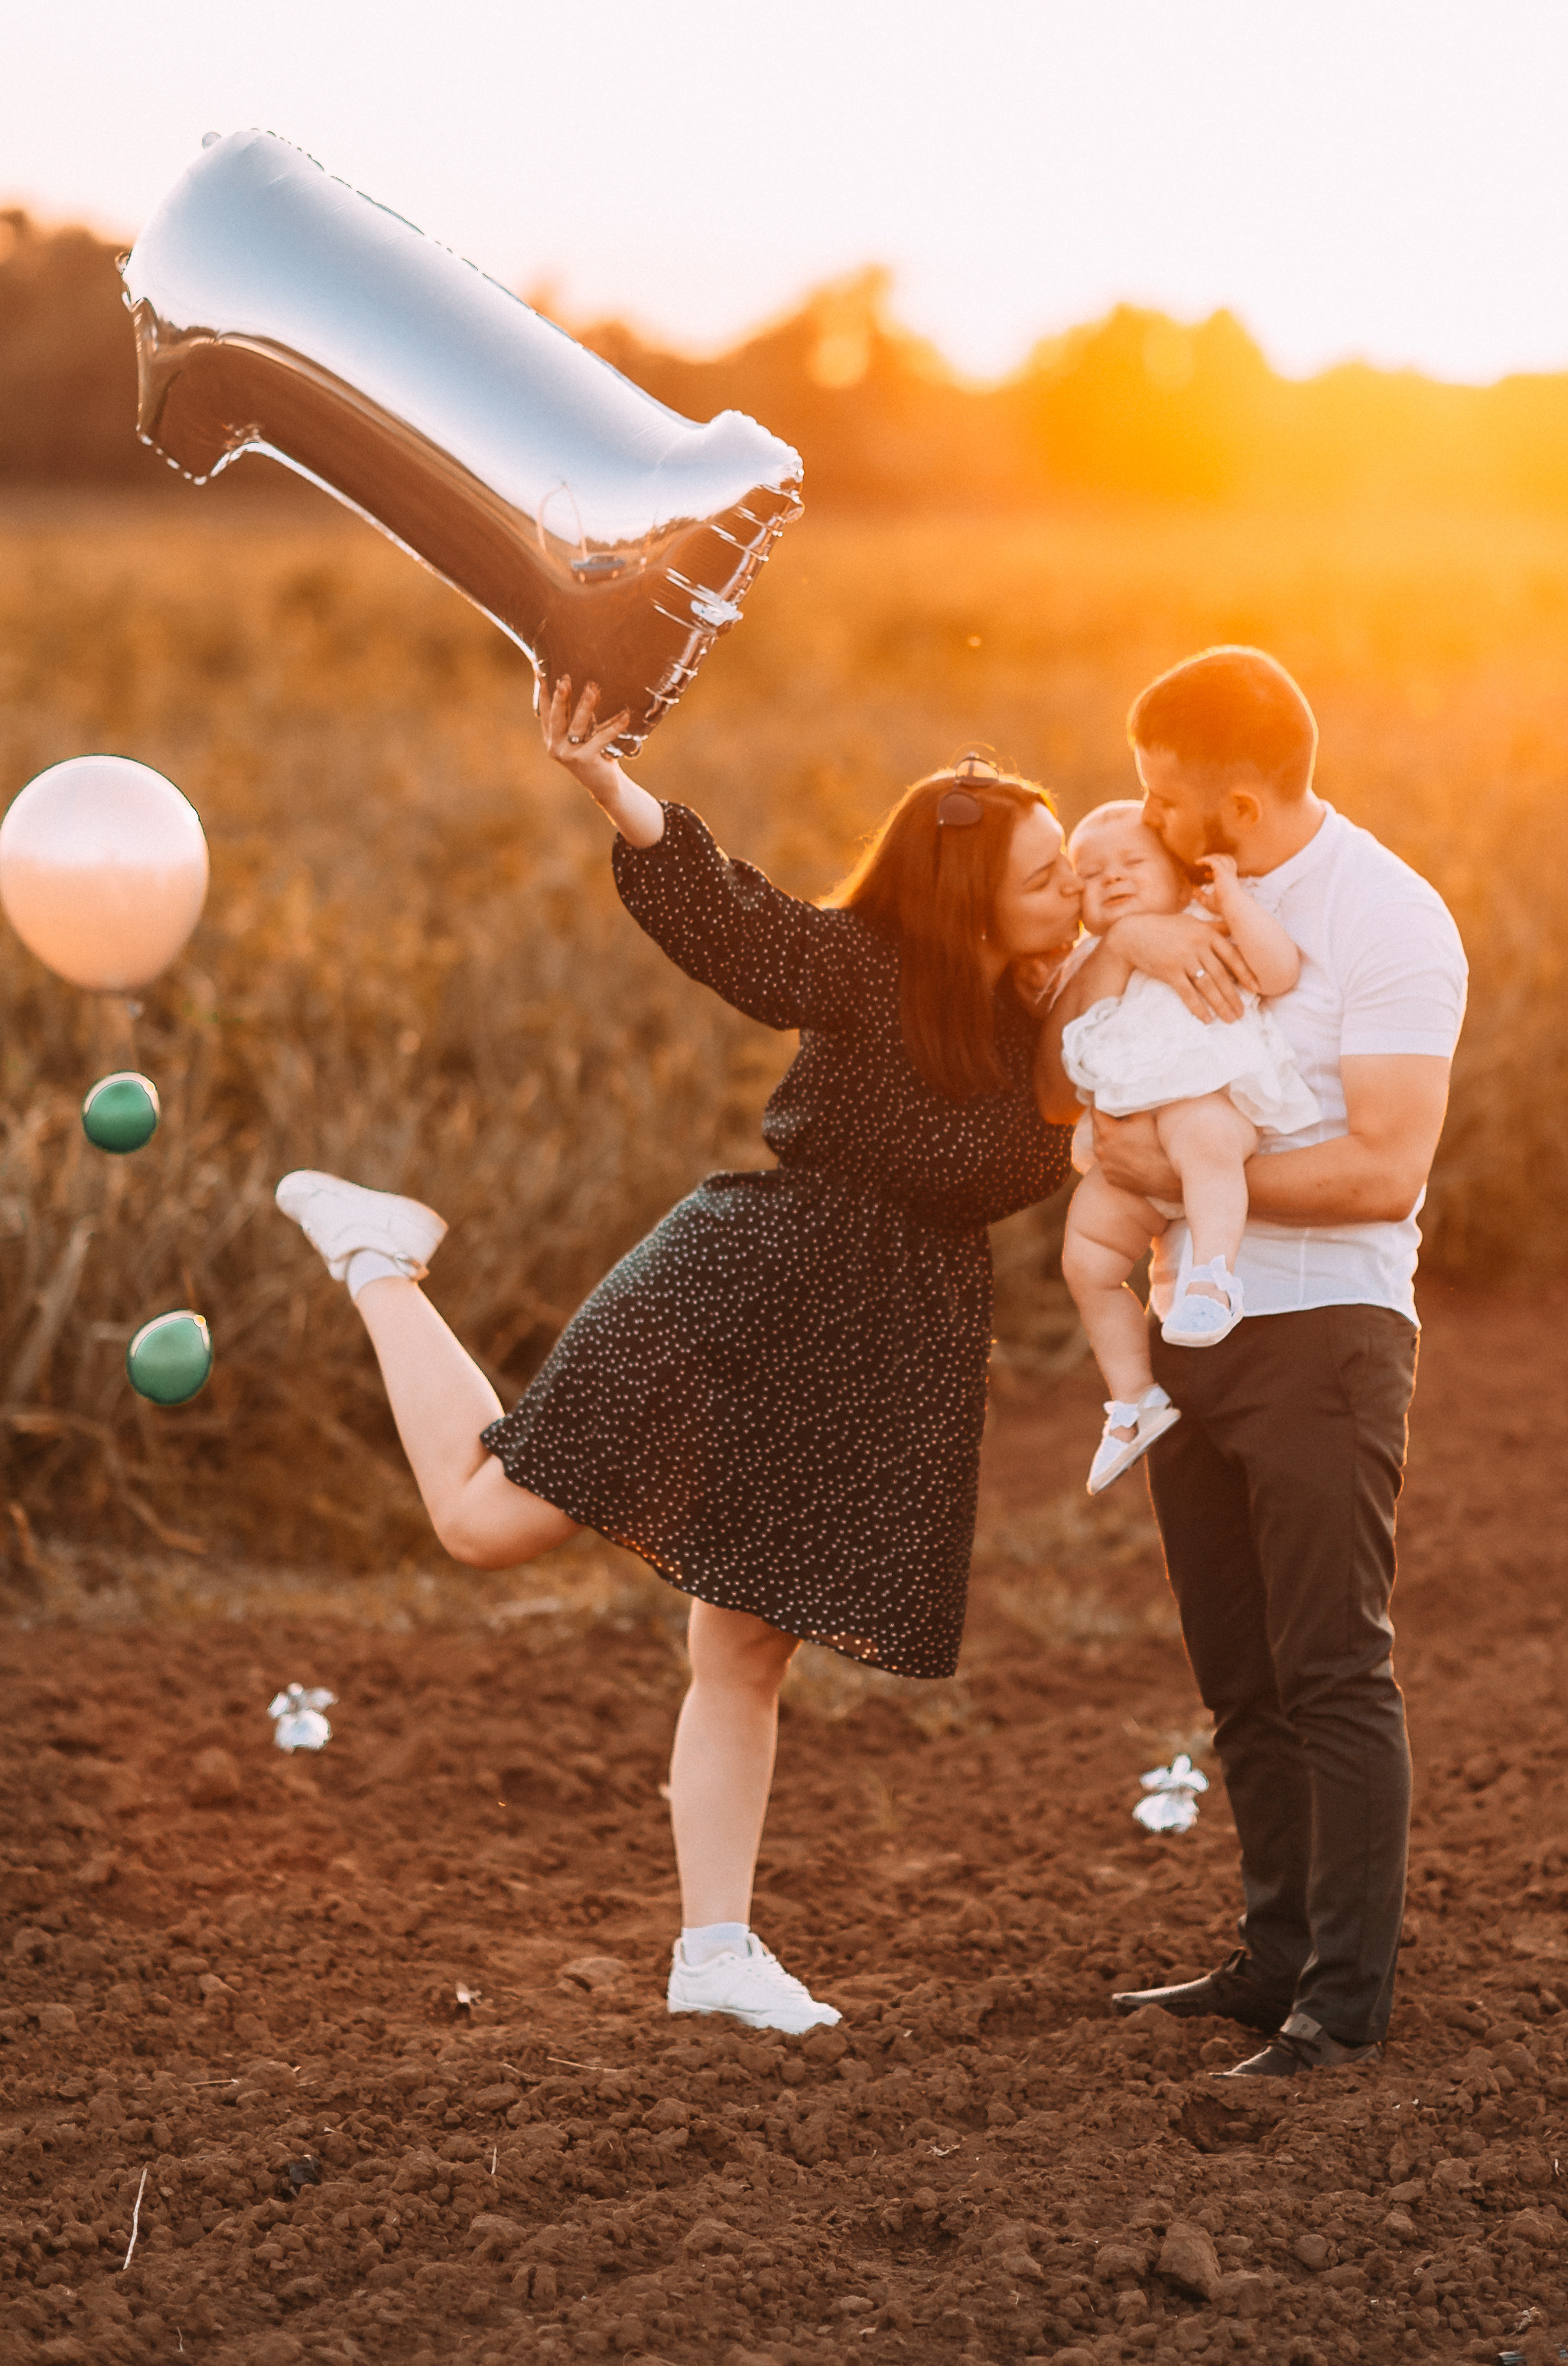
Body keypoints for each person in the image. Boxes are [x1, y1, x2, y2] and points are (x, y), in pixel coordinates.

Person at [277, 690, 1078, 2036]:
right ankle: (376, 1262)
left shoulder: (1060, 1015)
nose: (1073, 894)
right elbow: (728, 917)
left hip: (886, 1346)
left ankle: (713, 1953)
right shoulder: (866, 971)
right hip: (746, 1290)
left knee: (747, 1651)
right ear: (970, 904)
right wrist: (610, 786)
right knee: (484, 1524)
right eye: (1045, 877)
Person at [1038, 647, 1466, 2081]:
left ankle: (1344, 2004)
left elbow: (1385, 1172)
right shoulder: (1156, 894)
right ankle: (1273, 1954)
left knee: (1331, 1666)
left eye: (1166, 794)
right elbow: (1059, 1067)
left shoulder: (1390, 919)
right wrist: (1125, 948)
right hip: (1185, 1327)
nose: (1143, 815)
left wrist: (1172, 1165)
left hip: (1326, 1334)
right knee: (1237, 1672)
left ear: (1233, 799)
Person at [1055, 802, 1316, 1493]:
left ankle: (1212, 1277)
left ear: (1178, 878)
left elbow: (1278, 971)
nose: (1110, 879)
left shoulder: (1206, 925)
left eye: (1132, 864)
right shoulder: (1096, 957)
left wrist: (1228, 896)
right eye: (1091, 873)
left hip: (1207, 1102)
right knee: (1086, 1256)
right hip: (1128, 1139)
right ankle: (1134, 1398)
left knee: (1203, 1144)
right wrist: (1113, 947)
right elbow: (1072, 1036)